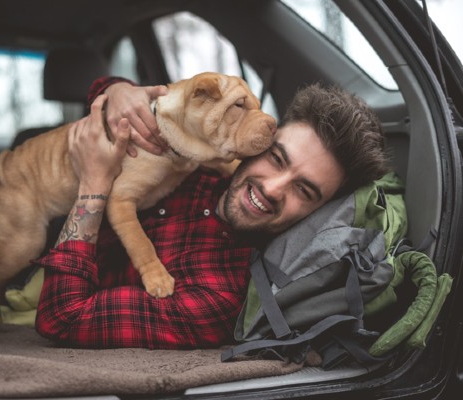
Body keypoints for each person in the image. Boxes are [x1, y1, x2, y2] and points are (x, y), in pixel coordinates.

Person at [33, 77, 390, 350]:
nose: (271, 187)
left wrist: (92, 184)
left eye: (304, 190)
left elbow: (61, 318)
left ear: (318, 212)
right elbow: (174, 99)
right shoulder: (204, 154)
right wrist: (120, 90)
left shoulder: (218, 295)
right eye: (277, 158)